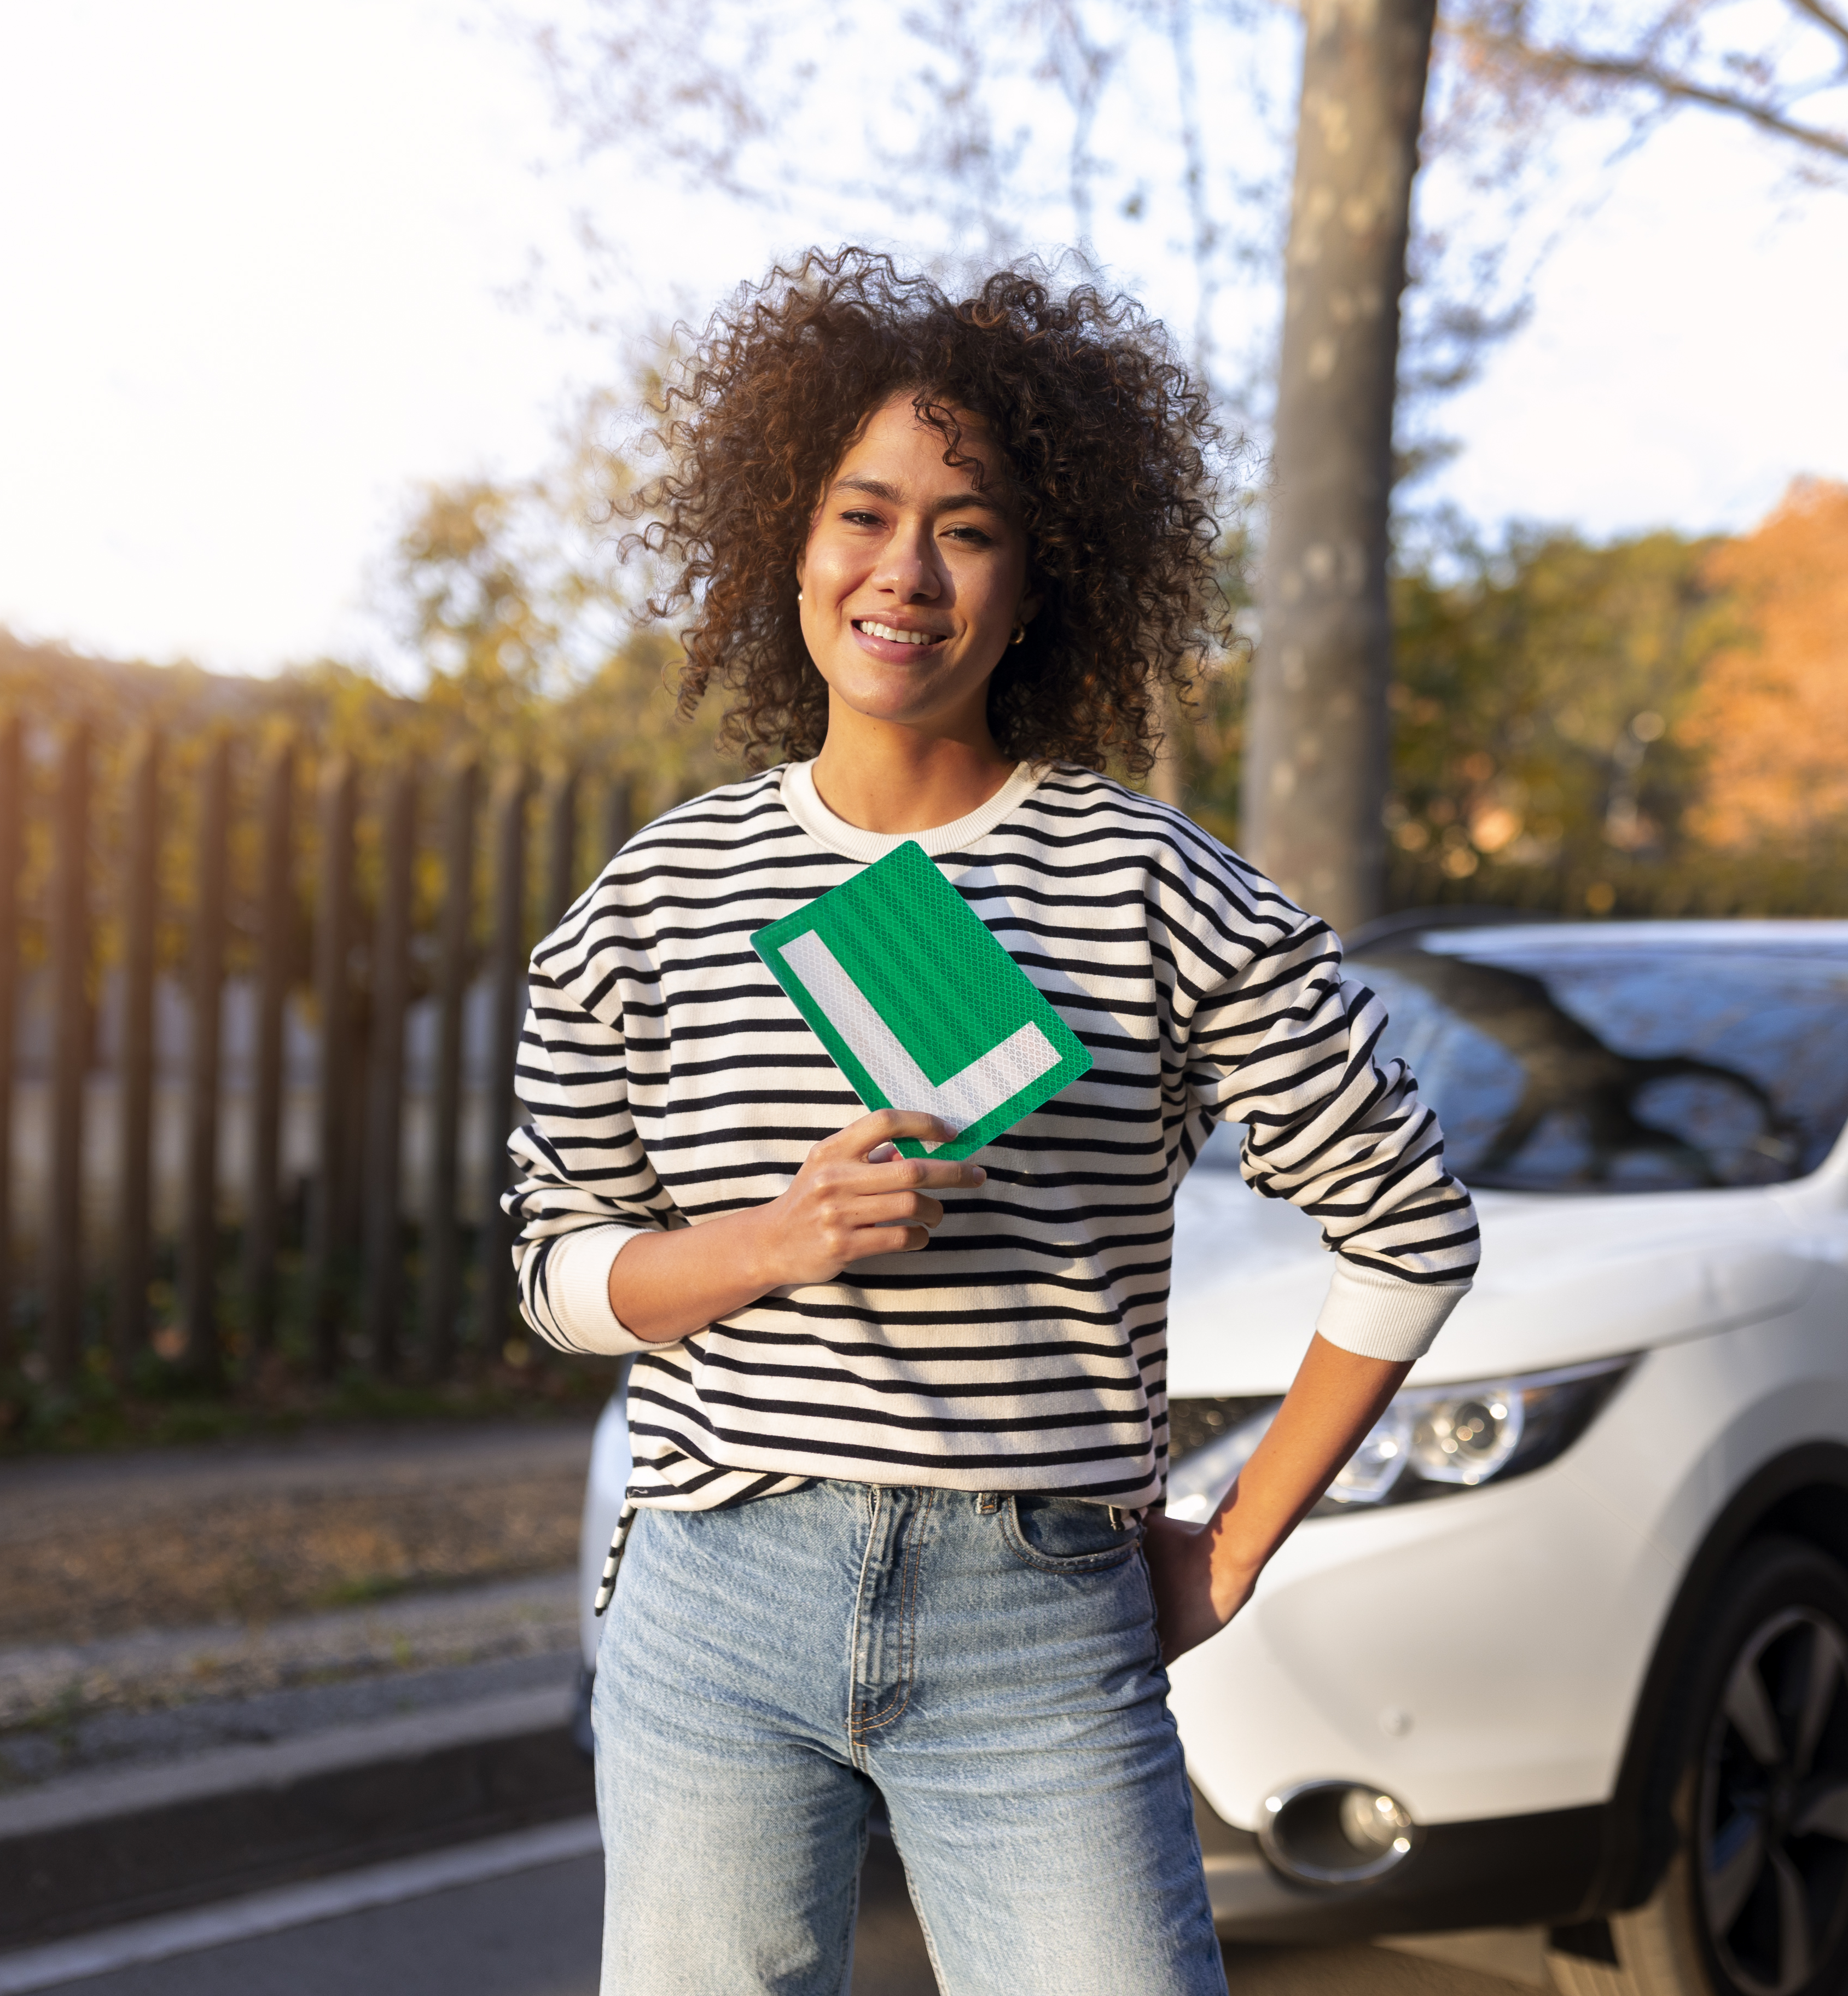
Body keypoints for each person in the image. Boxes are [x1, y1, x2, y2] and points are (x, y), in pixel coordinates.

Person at [508, 250, 1479, 1996]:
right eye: (861, 514)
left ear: (1043, 582)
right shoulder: (650, 902)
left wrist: (1237, 1540)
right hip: (716, 1589)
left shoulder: (1159, 889)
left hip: (1036, 1607)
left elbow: (1409, 1233)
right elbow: (557, 1267)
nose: (904, 571)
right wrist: (774, 1243)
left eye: (968, 527)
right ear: (784, 544)